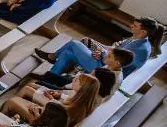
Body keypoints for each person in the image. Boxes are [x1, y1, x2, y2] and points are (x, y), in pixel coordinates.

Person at [34, 17, 162, 78]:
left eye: (135, 25)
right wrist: (102, 51)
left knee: (74, 44)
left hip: (105, 72)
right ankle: (51, 77)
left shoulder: (142, 49)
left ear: (144, 32)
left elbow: (118, 65)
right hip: (103, 62)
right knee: (67, 53)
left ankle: (52, 57)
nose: (131, 26)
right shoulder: (135, 39)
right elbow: (115, 51)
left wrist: (102, 55)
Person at [0, 72, 101, 127]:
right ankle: (6, 118)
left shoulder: (74, 107)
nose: (73, 81)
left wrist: (37, 111)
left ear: (82, 87)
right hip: (45, 115)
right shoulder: (82, 101)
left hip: (40, 123)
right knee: (17, 99)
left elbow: (48, 123)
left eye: (76, 81)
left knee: (11, 102)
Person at [31, 47, 133, 91]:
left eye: (109, 56)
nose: (105, 56)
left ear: (117, 63)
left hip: (76, 93)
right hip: (78, 84)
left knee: (37, 84)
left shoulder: (108, 77)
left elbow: (82, 91)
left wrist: (62, 89)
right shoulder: (112, 67)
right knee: (49, 75)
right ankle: (45, 78)